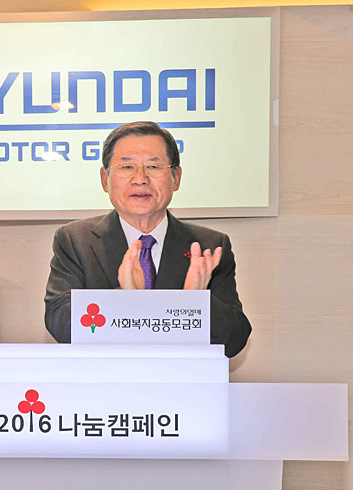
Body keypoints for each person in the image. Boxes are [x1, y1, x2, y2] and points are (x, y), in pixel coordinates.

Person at [44, 121, 251, 357]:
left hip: (182, 377)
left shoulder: (208, 247)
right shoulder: (76, 240)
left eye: (153, 166)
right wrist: (125, 297)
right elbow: (60, 324)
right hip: (105, 376)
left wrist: (194, 303)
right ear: (105, 179)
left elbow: (235, 340)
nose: (140, 179)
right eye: (126, 166)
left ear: (176, 178)